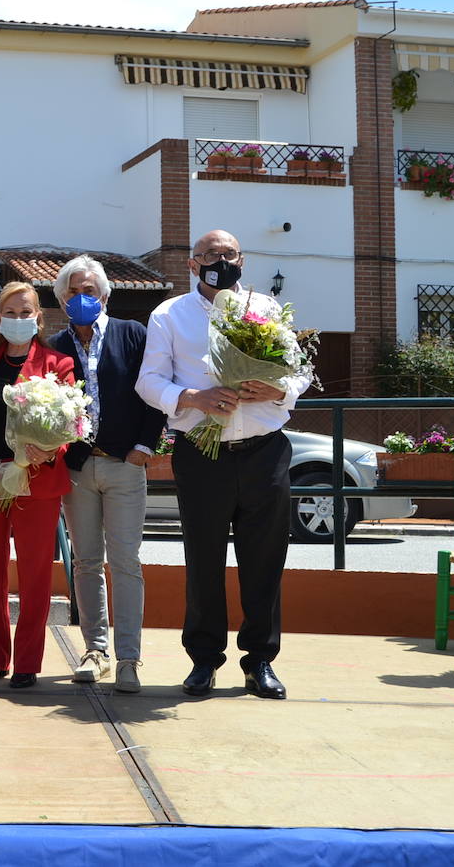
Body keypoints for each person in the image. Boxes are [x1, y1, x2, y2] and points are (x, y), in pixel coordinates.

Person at [136, 229, 308, 700]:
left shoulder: (267, 310)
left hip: (264, 449)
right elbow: (148, 381)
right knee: (204, 559)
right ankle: (204, 660)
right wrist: (193, 397)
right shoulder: (169, 314)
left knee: (265, 560)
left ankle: (260, 662)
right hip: (202, 453)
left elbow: (298, 371)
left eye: (228, 253)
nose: (220, 260)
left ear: (242, 261)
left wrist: (280, 390)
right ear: (192, 265)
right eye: (209, 254)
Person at [49, 256, 165, 693]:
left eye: (90, 290)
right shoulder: (55, 344)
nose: (82, 297)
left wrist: (144, 446)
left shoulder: (131, 334)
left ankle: (129, 658)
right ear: (62, 299)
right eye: (74, 291)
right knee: (85, 562)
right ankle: (94, 650)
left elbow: (155, 389)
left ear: (104, 295)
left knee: (125, 562)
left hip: (124, 465)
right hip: (77, 469)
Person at [0, 282, 77, 690]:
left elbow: (71, 423)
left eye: (25, 312)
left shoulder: (57, 363)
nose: (18, 319)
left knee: (34, 575)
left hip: (36, 480)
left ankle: (28, 662)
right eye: (10, 313)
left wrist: (47, 450)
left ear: (39, 317)